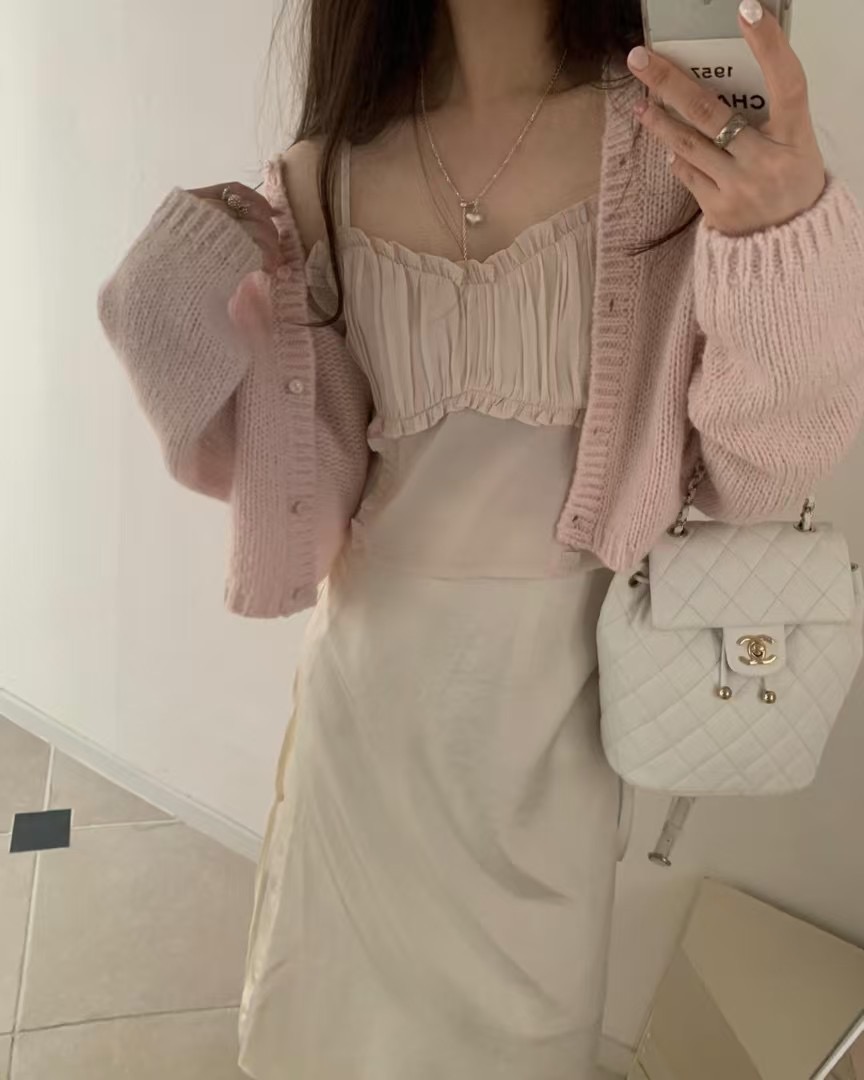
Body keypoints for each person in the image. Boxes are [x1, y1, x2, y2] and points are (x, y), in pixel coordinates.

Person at [96, 1, 864, 1076]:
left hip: (551, 731)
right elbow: (311, 501)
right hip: (365, 712)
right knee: (335, 1035)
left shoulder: (672, 140)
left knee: (524, 1042)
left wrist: (783, 239)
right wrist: (182, 317)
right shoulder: (326, 170)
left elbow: (756, 481)